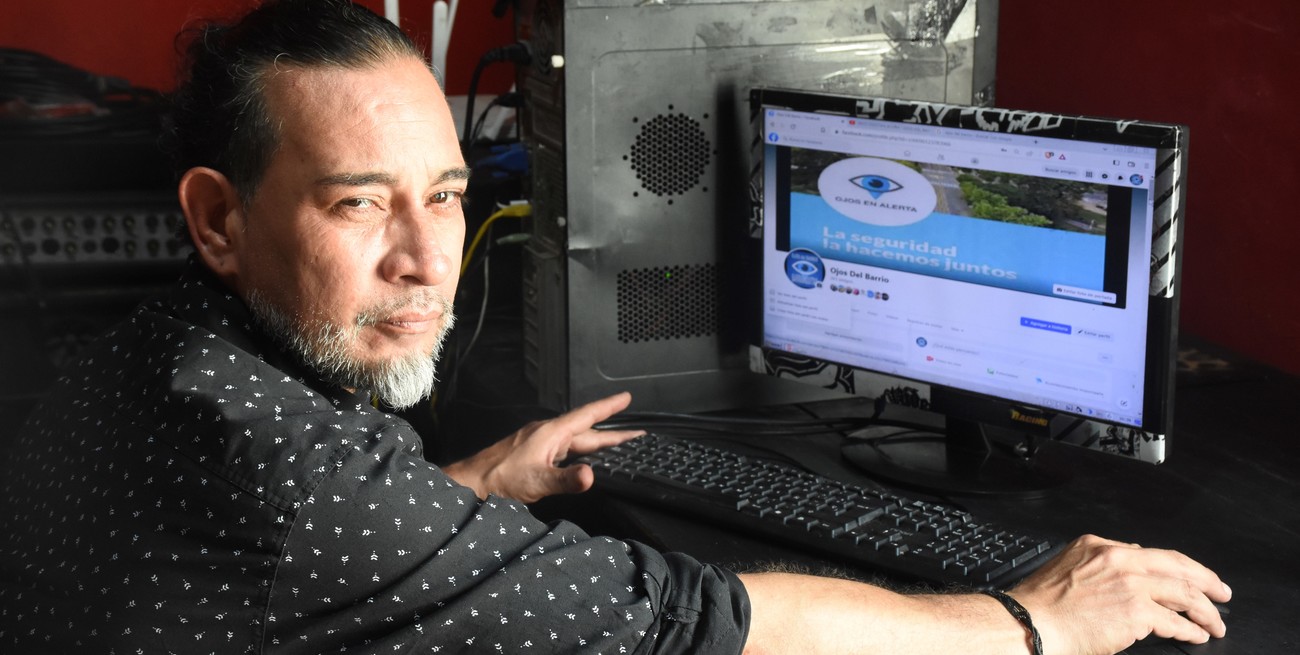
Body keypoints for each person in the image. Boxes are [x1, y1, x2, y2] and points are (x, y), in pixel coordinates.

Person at [0, 1, 1230, 653]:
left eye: (445, 194)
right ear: (218, 219)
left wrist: (468, 486)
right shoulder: (290, 471)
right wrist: (1036, 624)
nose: (426, 259)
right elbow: (703, 622)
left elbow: (282, 556)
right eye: (357, 202)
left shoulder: (169, 361)